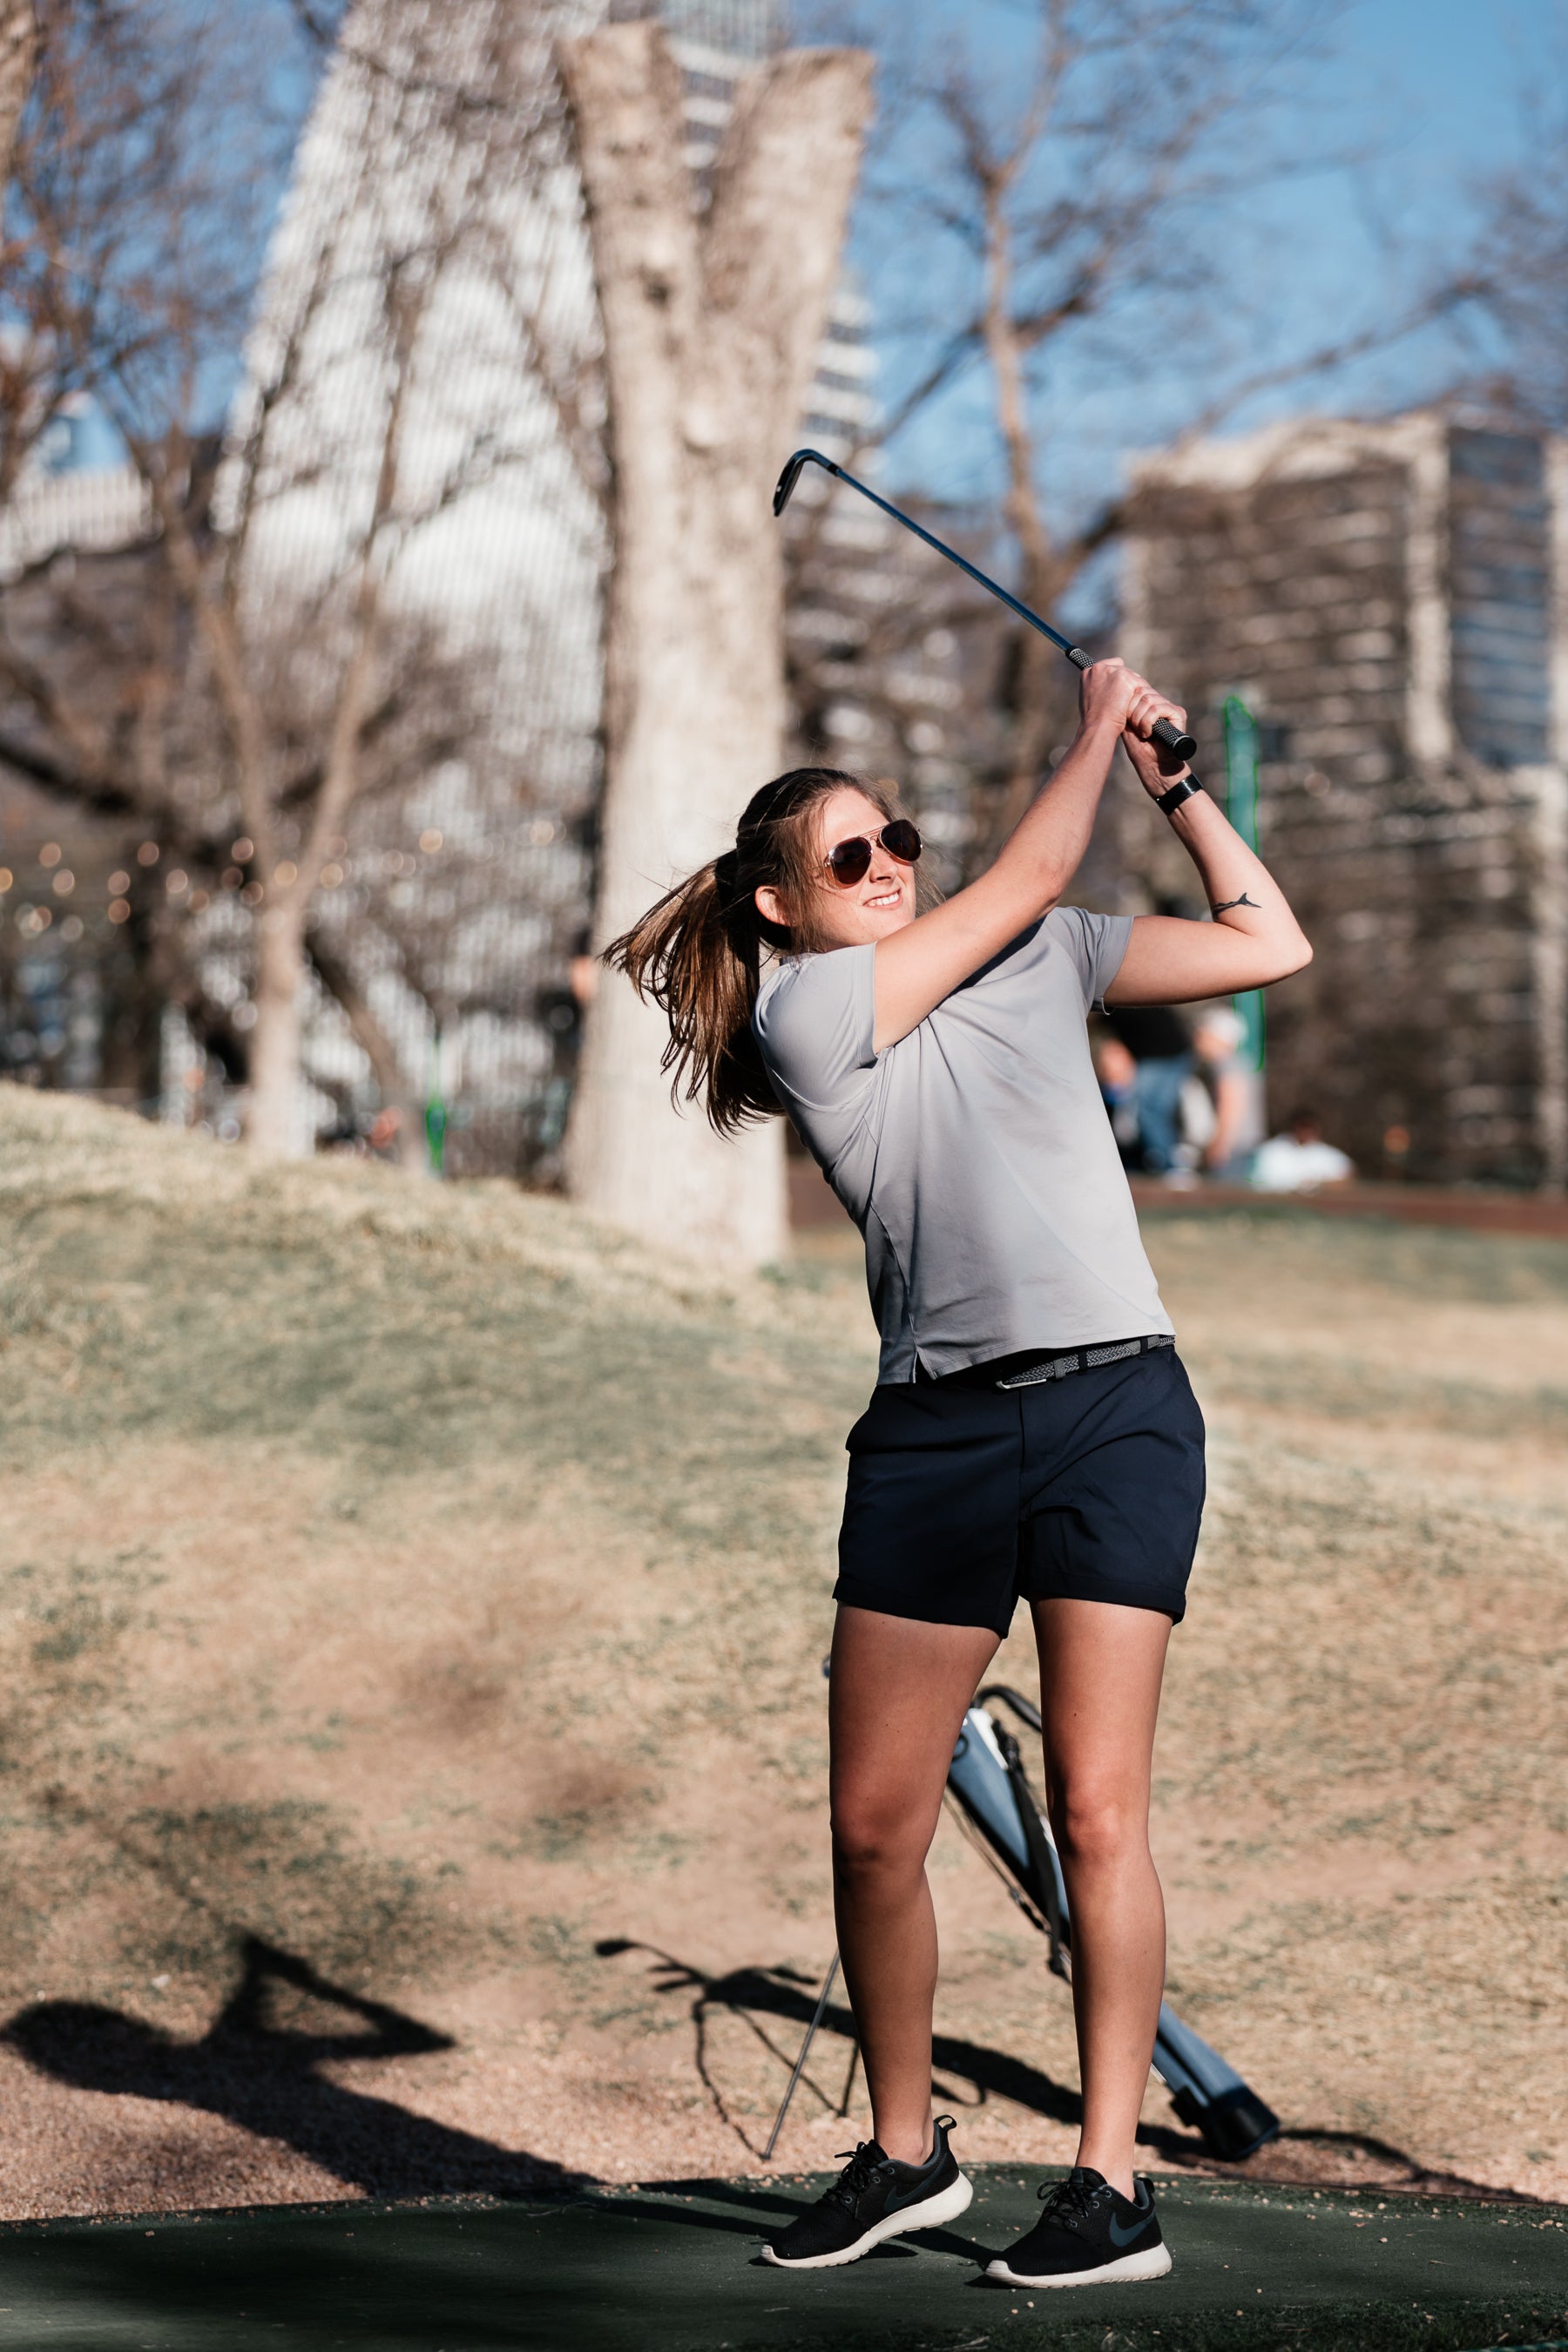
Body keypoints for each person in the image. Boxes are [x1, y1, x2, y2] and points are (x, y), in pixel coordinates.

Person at [607, 659, 1311, 2291]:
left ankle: (1110, 2185)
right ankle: (905, 2155)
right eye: (850, 856)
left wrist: (1177, 790)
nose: (889, 866)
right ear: (782, 905)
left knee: (1096, 1811)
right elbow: (1036, 866)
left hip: (1116, 1411)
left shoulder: (1047, 954)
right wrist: (1092, 729)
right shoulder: (804, 1008)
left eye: (898, 840)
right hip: (934, 1438)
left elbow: (1267, 942)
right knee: (874, 1826)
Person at [1251, 1108, 1353, 1193]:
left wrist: (1319, 1184)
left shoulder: (1325, 1153)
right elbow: (1257, 1182)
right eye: (1303, 1126)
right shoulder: (1273, 1150)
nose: (1306, 1131)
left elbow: (1347, 1175)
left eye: (1310, 1127)